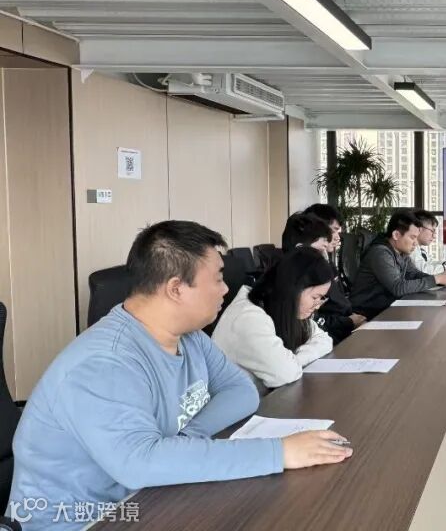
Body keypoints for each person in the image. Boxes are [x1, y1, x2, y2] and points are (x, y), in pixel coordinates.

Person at [6, 221, 351, 530]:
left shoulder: (190, 337)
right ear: (175, 288)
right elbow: (139, 463)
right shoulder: (104, 364)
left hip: (149, 499)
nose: (225, 289)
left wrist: (186, 438)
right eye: (217, 278)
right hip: (78, 519)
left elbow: (241, 391)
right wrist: (279, 453)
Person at [212, 247, 335, 391]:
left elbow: (325, 340)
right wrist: (293, 361)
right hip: (241, 403)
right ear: (293, 289)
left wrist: (295, 360)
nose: (317, 305)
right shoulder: (249, 318)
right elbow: (285, 374)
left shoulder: (284, 308)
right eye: (315, 297)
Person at [350, 210, 446, 319]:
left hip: (385, 309)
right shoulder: (380, 253)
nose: (415, 243)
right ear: (396, 235)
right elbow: (398, 287)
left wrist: (442, 280)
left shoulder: (401, 252)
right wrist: (436, 279)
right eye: (412, 237)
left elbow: (414, 274)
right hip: (365, 315)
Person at [282, 212, 365, 344]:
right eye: (320, 251)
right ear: (301, 250)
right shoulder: (291, 283)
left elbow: (314, 329)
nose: (324, 258)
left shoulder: (311, 271)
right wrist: (348, 322)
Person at [410, 209, 446, 276]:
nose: (434, 236)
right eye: (432, 231)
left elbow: (430, 263)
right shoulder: (410, 249)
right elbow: (423, 270)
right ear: (419, 228)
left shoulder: (420, 250)